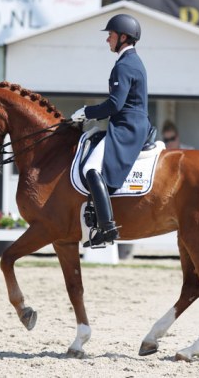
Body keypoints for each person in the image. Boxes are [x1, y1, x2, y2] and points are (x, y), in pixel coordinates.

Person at [71, 14, 151, 247]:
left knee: (91, 168)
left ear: (123, 37)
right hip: (131, 123)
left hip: (128, 127)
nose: (107, 40)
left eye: (111, 35)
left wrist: (87, 112)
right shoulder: (132, 61)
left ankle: (107, 228)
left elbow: (114, 105)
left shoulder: (125, 65)